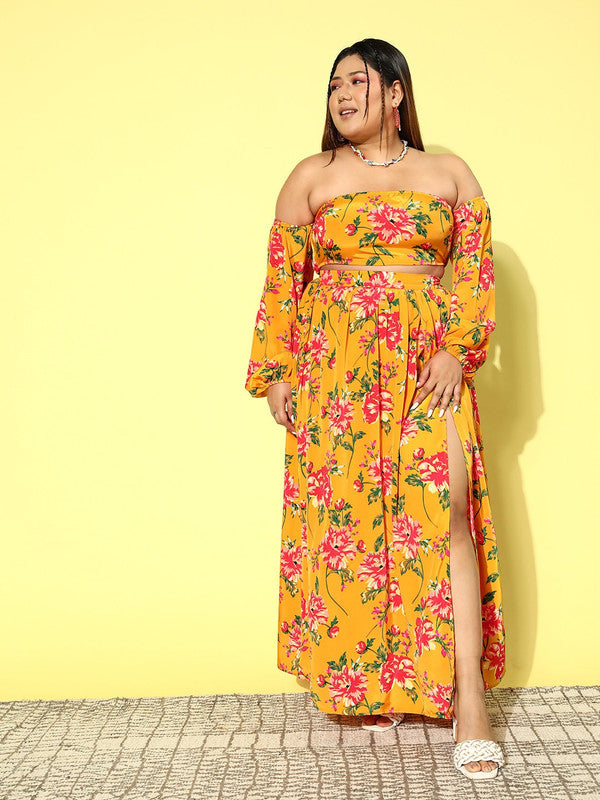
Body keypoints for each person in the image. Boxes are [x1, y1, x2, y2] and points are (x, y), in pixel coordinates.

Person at [244, 38, 506, 780]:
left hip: (428, 368)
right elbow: (283, 282)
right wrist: (276, 371)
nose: (342, 94)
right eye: (334, 84)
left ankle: (470, 701)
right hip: (336, 371)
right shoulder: (311, 177)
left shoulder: (449, 173)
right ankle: (376, 685)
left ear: (396, 92)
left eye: (357, 81)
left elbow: (475, 272)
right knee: (351, 527)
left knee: (445, 513)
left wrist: (457, 349)